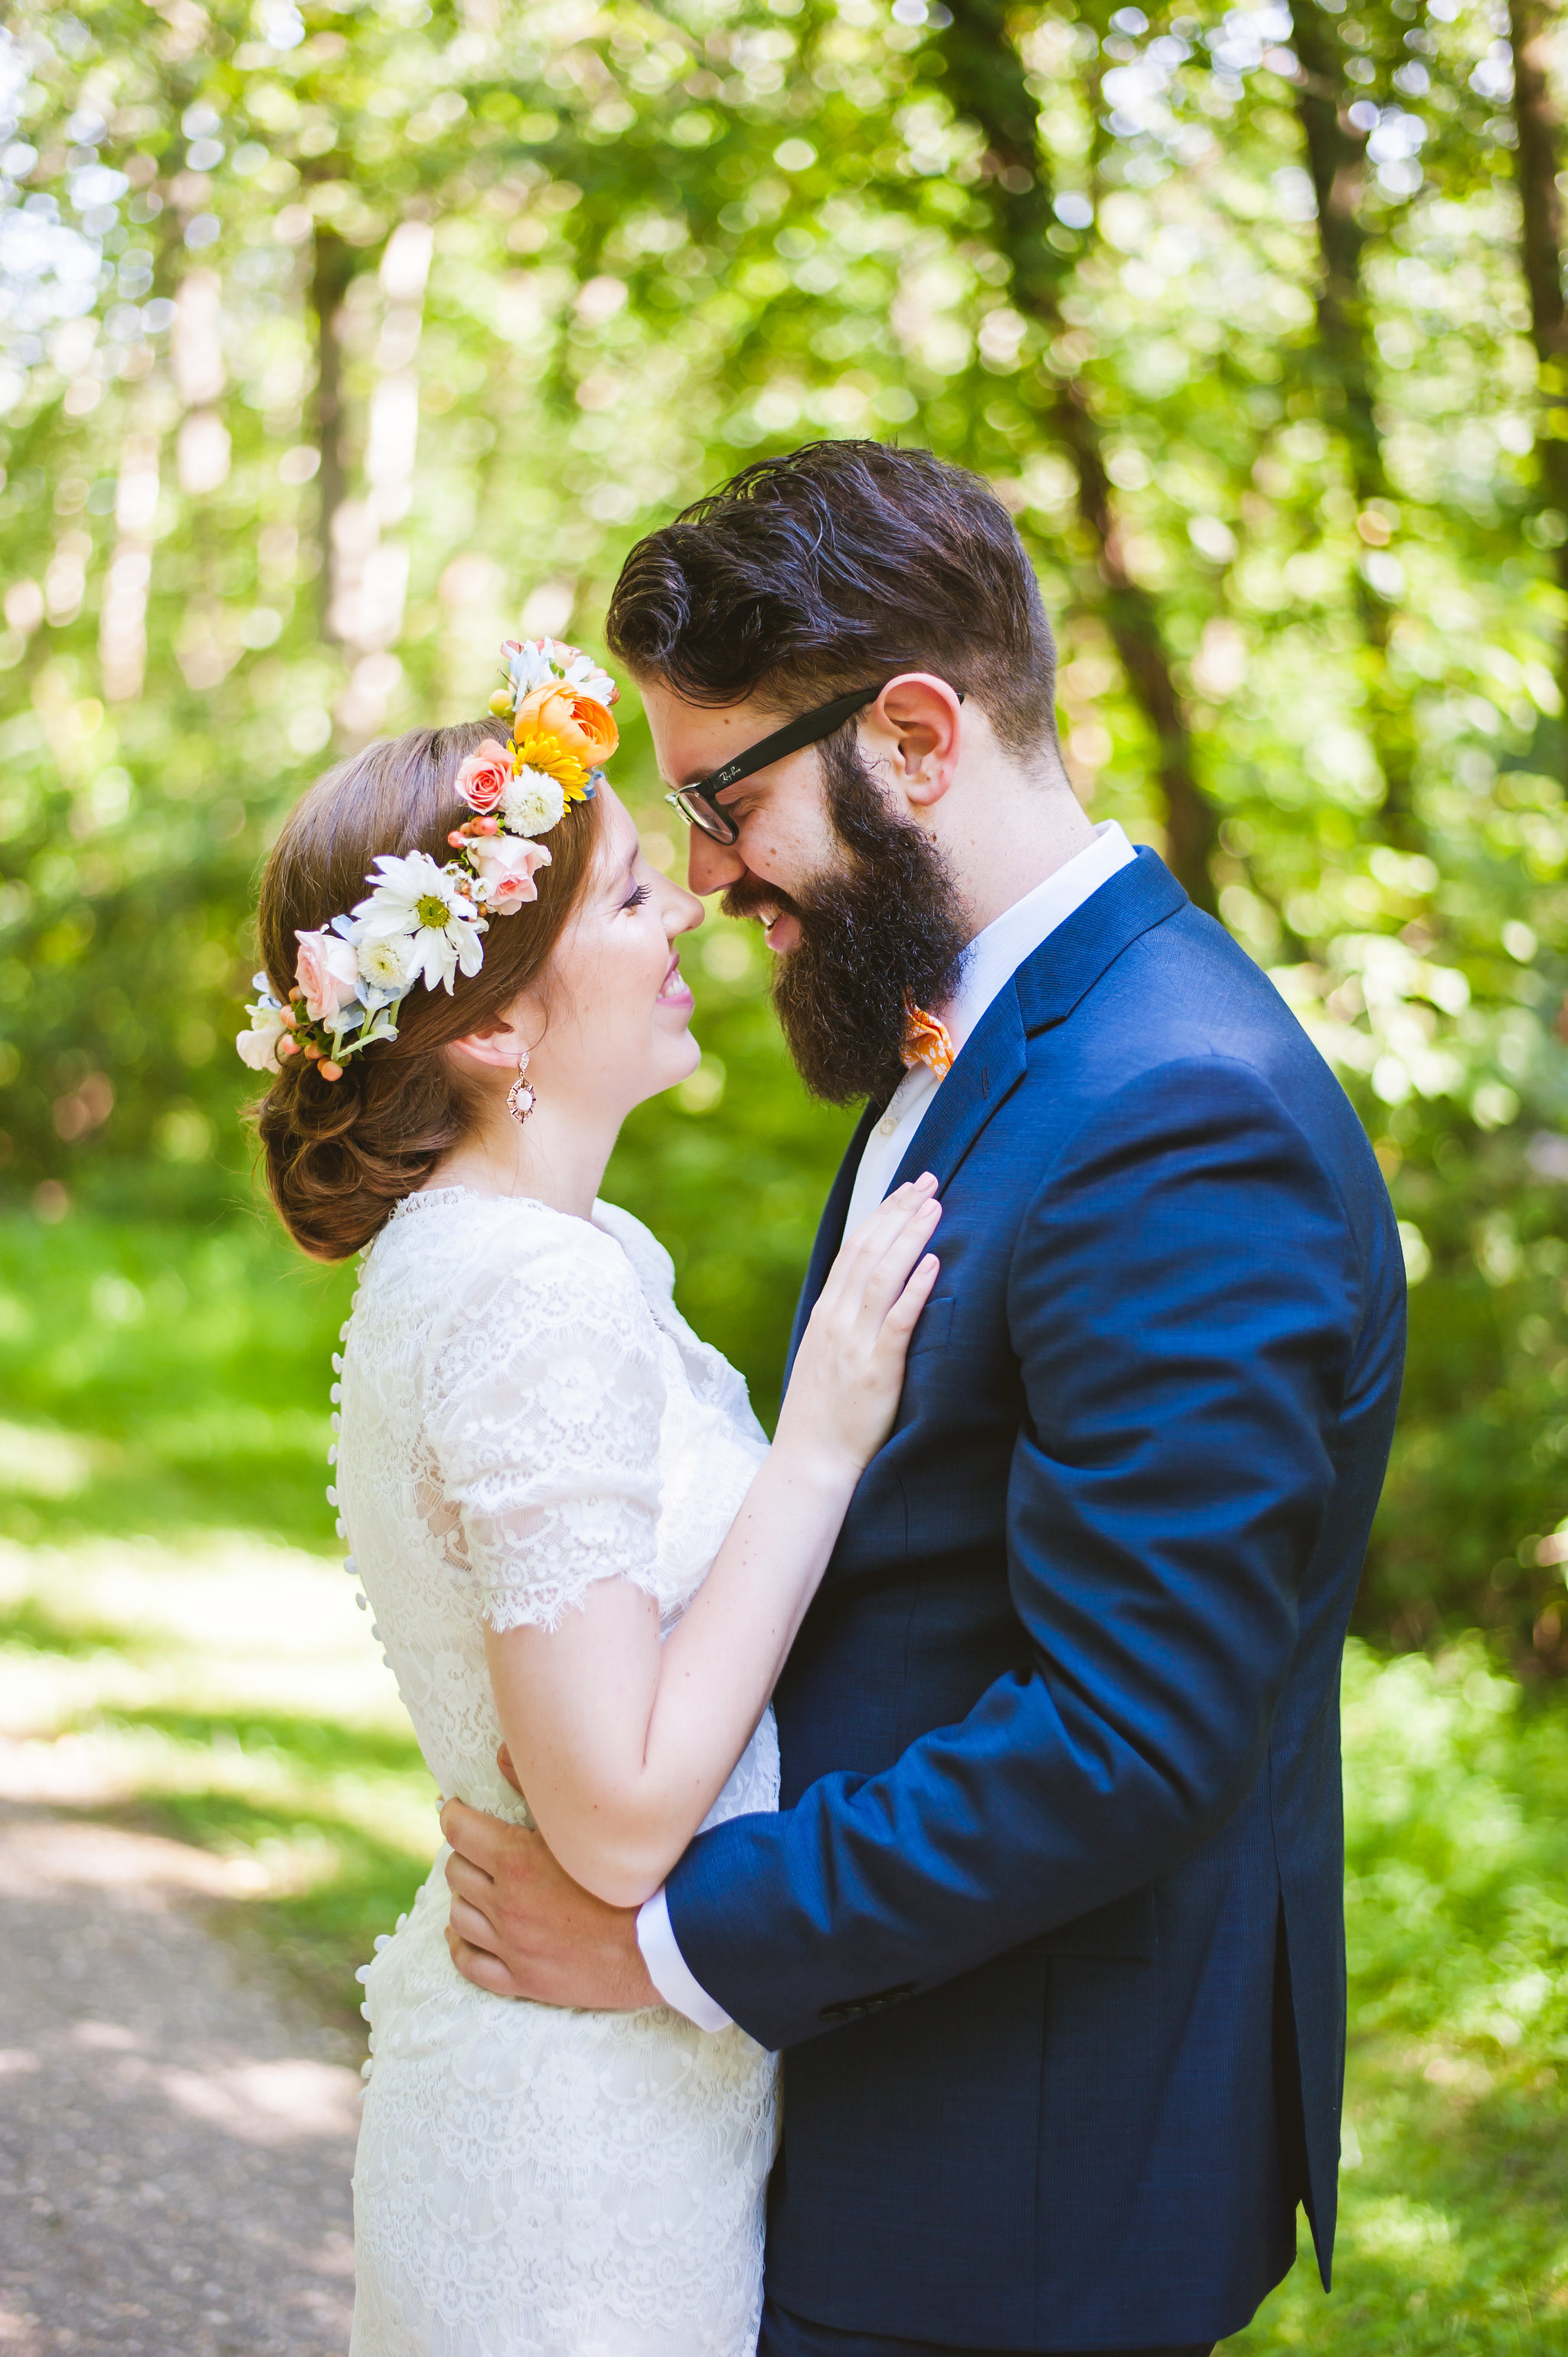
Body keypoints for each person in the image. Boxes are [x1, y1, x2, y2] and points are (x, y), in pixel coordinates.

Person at [439, 440, 1408, 2357]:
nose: (706, 879)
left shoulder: (1175, 1115)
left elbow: (1128, 1739)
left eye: (721, 801)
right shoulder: (970, 1017)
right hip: (896, 2098)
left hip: (1012, 2175)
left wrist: (660, 1945)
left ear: (911, 735)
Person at [237, 636, 945, 2357]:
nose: (691, 911)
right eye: (632, 896)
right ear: (489, 1021)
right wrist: (823, 1443)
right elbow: (618, 1816)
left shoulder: (556, 1255)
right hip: (575, 2182)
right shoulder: (526, 1294)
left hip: (612, 2098)